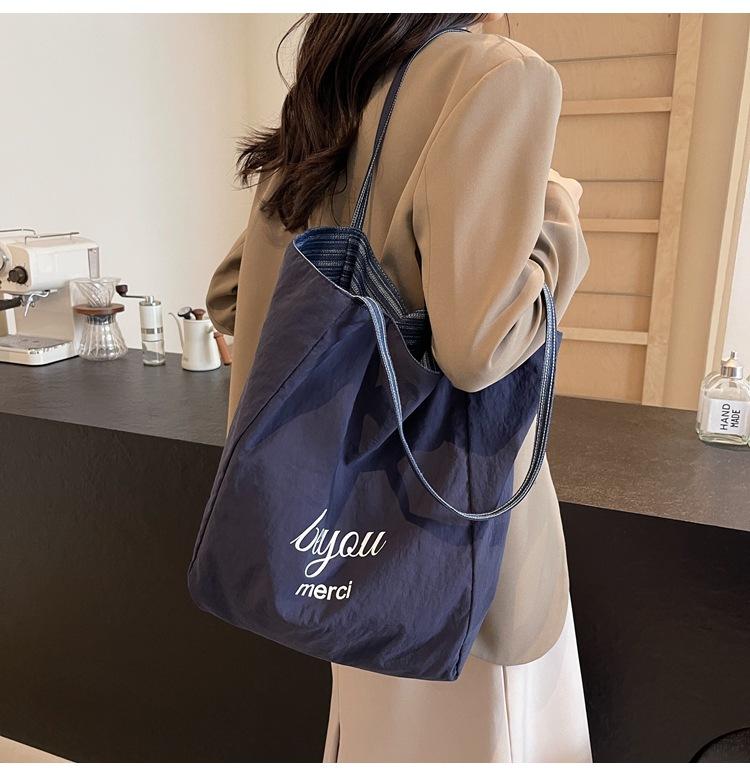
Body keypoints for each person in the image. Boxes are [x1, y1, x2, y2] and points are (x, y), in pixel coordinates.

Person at [207, 13, 591, 763]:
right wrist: (556, 211)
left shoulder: (331, 90)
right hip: (455, 549)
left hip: (335, 541)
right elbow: (482, 347)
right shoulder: (496, 72)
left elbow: (231, 294)